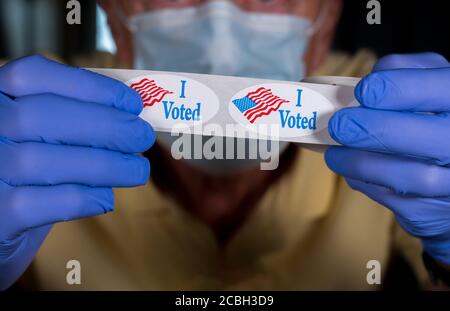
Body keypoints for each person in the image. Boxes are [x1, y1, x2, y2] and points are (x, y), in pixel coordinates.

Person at [0, 0, 449, 290]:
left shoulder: (401, 109)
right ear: (116, 19)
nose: (220, 22)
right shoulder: (20, 111)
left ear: (325, 19)